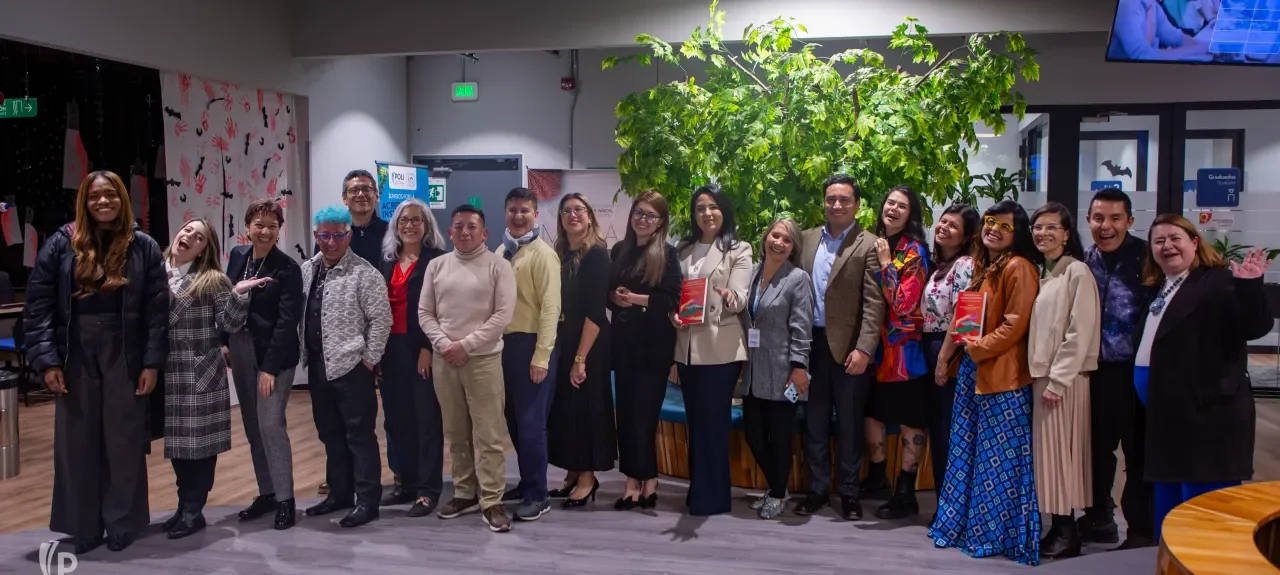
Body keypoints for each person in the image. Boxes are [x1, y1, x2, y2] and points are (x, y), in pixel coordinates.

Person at [25, 171, 168, 553]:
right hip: (74, 350)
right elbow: (37, 306)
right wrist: (47, 361)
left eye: (111, 196)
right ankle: (83, 525)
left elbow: (157, 312)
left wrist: (152, 363)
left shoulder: (144, 246)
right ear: (84, 202)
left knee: (123, 442)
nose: (103, 202)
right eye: (95, 197)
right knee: (77, 442)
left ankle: (122, 522)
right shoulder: (61, 244)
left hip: (126, 351)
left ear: (122, 200)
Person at [1135, 215, 1271, 541]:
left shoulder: (1217, 281)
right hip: (1168, 419)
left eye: (1175, 238)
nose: (1167, 246)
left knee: (1204, 515)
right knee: (1170, 511)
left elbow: (1253, 326)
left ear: (1194, 243)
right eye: (1158, 240)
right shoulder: (1162, 287)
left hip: (1206, 419)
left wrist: (1250, 286)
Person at [929, 200, 1042, 566]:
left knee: (997, 465)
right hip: (971, 375)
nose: (994, 228)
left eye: (1004, 226)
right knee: (968, 457)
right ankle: (963, 527)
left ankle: (992, 536)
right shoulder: (984, 267)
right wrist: (946, 358)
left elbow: (1015, 324)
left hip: (1002, 379)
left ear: (1017, 233)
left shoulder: (1020, 267)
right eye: (990, 222)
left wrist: (977, 350)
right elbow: (964, 319)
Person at [159, 219, 267, 539]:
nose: (190, 237)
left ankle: (194, 510)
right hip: (167, 374)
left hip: (200, 373)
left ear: (205, 249)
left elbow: (230, 323)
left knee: (200, 448)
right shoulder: (156, 272)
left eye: (200, 237)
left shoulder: (212, 279)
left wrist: (238, 294)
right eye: (187, 230)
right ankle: (183, 506)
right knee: (178, 448)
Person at [419, 204, 516, 532]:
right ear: (450, 232)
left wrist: (467, 345)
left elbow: (502, 315)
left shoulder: (499, 266)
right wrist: (445, 345)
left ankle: (492, 500)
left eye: (471, 226)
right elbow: (425, 313)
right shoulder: (436, 266)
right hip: (445, 361)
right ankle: (464, 492)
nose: (464, 231)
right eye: (458, 226)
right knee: (456, 433)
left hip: (483, 361)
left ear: (484, 232)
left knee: (488, 435)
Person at [796, 174, 886, 521]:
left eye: (844, 199)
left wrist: (864, 349)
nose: (836, 205)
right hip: (810, 345)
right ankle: (817, 490)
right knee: (814, 423)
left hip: (849, 348)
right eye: (831, 198)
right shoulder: (804, 240)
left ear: (857, 205)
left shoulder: (870, 244)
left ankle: (849, 492)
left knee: (849, 424)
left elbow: (874, 303)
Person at [299, 205, 393, 528]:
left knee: (359, 437)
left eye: (339, 234)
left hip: (353, 368)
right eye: (325, 235)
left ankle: (368, 501)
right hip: (317, 367)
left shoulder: (365, 274)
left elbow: (382, 321)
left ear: (349, 235)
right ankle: (339, 492)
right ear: (316, 235)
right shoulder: (307, 270)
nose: (331, 241)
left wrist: (368, 361)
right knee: (330, 434)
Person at [672, 183, 753, 517]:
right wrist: (672, 314)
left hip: (721, 349)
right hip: (686, 348)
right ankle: (699, 489)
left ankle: (713, 497)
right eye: (700, 208)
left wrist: (731, 297)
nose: (707, 213)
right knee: (696, 422)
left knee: (712, 424)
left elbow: (739, 293)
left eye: (713, 207)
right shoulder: (682, 249)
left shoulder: (739, 249)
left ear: (724, 211)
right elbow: (673, 293)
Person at [1080, 188, 1154, 549]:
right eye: (1098, 218)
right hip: (1094, 372)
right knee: (1095, 450)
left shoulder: (1148, 257)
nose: (1105, 226)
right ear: (1088, 220)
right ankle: (1099, 518)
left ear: (1129, 221)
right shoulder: (1082, 259)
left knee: (1137, 453)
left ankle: (1139, 530)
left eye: (1114, 218)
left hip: (1136, 373)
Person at [224, 199, 303, 531]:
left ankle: (286, 499)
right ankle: (267, 492)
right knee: (253, 426)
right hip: (242, 349)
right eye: (259, 224)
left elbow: (287, 324)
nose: (266, 231)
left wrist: (269, 368)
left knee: (271, 424)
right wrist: (223, 342)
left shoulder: (287, 268)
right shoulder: (238, 257)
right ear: (248, 227)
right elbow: (226, 298)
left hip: (275, 356)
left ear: (279, 229)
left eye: (272, 225)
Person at [1027, 203, 1100, 559]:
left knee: (1061, 457)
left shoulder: (1077, 272)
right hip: (1044, 376)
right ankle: (1057, 527)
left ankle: (1067, 531)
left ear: (1067, 233)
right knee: (1049, 458)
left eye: (1051, 227)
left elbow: (1080, 331)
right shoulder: (1045, 273)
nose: (1043, 233)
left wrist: (1057, 380)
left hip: (1063, 380)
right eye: (1037, 227)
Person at [314, 169, 391, 497]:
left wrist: (371, 357)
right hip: (335, 352)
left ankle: (394, 481)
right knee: (333, 428)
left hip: (380, 340)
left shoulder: (391, 235)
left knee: (382, 422)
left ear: (376, 196)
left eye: (367, 189)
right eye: (354, 190)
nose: (361, 194)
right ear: (344, 198)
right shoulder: (318, 259)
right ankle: (340, 485)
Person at [609, 191, 682, 510]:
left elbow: (671, 300)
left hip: (653, 346)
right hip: (622, 343)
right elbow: (605, 295)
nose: (642, 219)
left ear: (661, 222)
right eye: (639, 213)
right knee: (625, 416)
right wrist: (614, 297)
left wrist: (634, 298)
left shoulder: (667, 253)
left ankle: (648, 478)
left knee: (644, 417)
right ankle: (631, 480)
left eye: (650, 215)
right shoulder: (618, 250)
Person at [862, 185, 931, 521]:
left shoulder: (914, 250)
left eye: (901, 206)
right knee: (871, 414)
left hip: (905, 355)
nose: (893, 209)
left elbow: (904, 304)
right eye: (889, 202)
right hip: (875, 353)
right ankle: (877, 478)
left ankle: (906, 492)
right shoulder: (874, 241)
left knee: (909, 422)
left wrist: (888, 264)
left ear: (910, 214)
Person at [377, 198, 448, 518]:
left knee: (426, 420)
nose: (409, 225)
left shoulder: (437, 260)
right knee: (396, 419)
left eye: (416, 220)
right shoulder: (388, 260)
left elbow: (440, 309)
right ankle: (405, 482)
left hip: (422, 348)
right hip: (391, 349)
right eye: (404, 220)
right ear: (396, 225)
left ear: (427, 225)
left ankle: (428, 489)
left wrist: (427, 348)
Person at [495, 188, 561, 521]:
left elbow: (551, 308)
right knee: (515, 423)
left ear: (536, 215)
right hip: (504, 349)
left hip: (533, 345)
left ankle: (539, 494)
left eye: (524, 211)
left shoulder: (543, 254)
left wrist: (542, 357)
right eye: (512, 210)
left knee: (532, 424)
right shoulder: (500, 252)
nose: (518, 216)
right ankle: (527, 482)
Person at [740, 219, 813, 520]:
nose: (779, 242)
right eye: (775, 235)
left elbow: (802, 326)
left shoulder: (797, 279)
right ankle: (776, 487)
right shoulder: (752, 272)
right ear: (765, 237)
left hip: (784, 370)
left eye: (787, 240)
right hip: (753, 371)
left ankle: (779, 493)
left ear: (794, 247)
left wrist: (799, 366)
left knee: (780, 437)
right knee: (754, 436)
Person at [546, 194, 615, 510]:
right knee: (567, 410)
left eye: (579, 210)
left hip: (587, 345)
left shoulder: (597, 255)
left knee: (585, 409)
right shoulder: (560, 254)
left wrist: (580, 358)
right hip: (563, 339)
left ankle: (588, 479)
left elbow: (596, 313)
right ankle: (573, 473)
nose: (572, 215)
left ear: (590, 217)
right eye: (566, 211)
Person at [924, 205, 979, 497]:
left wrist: (944, 358)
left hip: (951, 351)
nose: (944, 227)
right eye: (942, 222)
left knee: (949, 431)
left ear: (968, 235)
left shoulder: (966, 265)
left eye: (953, 226)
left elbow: (967, 320)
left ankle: (950, 506)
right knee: (937, 429)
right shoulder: (937, 266)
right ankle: (943, 503)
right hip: (930, 346)